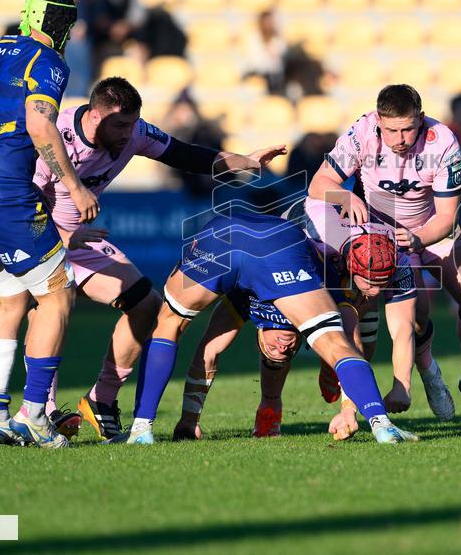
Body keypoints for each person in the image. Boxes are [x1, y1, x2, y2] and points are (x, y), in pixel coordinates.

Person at [18, 77, 285, 441]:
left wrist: (243, 161)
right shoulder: (55, 139)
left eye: (132, 124)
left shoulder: (135, 132)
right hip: (39, 237)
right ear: (95, 118)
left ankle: (102, 400)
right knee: (47, 309)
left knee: (146, 305)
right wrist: (63, 237)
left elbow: (183, 154)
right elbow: (21, 203)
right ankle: (38, 412)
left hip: (81, 239)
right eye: (121, 125)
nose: (129, 134)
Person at [111, 207, 420, 445]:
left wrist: (190, 419)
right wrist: (352, 406)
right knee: (337, 345)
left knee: (169, 323)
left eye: (283, 347)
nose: (281, 347)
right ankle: (382, 425)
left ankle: (141, 428)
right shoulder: (315, 286)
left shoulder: (240, 299)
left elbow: (209, 349)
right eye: (285, 345)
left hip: (227, 235)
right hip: (278, 245)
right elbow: (349, 342)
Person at [0, 0, 95, 449]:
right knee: (57, 296)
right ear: (60, 24)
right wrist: (73, 185)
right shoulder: (48, 63)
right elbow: (39, 123)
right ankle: (33, 415)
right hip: (3, 197)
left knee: (11, 302)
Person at [172, 198, 455, 440]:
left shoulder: (398, 258)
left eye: (381, 283)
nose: (376, 291)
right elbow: (209, 349)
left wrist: (397, 388)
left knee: (366, 329)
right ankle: (271, 406)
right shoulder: (311, 250)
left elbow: (397, 328)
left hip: (353, 258)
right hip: (300, 255)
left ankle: (345, 374)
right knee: (282, 342)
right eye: (370, 282)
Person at [309, 84, 461, 425]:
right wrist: (345, 197)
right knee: (414, 318)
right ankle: (429, 373)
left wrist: (417, 238)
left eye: (408, 128)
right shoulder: (361, 133)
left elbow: (446, 217)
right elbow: (319, 183)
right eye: (392, 130)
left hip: (430, 229)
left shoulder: (442, 141)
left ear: (422, 120)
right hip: (380, 236)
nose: (400, 138)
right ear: (378, 122)